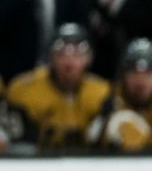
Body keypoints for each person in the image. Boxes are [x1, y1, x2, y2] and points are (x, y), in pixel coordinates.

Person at [4, 22, 108, 150]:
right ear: (51, 58)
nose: (69, 63)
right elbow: (17, 144)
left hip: (88, 165)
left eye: (77, 55)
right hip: (36, 163)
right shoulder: (24, 89)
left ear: (89, 59)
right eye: (61, 54)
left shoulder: (102, 93)